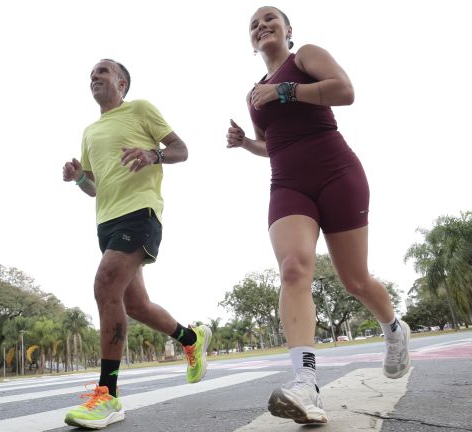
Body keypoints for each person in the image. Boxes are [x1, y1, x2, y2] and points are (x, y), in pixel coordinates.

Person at [226, 7, 411, 424]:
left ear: (288, 30)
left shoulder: (304, 57)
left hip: (337, 172)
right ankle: (305, 382)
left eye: (270, 18)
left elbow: (344, 91)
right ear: (250, 41)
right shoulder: (255, 91)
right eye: (253, 24)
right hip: (288, 185)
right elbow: (270, 144)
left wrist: (286, 91)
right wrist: (244, 145)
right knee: (293, 268)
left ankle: (394, 329)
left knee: (355, 280)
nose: (262, 26)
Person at [62, 59, 211, 430]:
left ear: (122, 83)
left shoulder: (140, 109)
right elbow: (96, 188)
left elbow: (182, 149)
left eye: (102, 71)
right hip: (106, 222)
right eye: (91, 75)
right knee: (136, 304)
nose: (94, 77)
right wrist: (79, 177)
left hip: (140, 212)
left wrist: (153, 154)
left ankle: (107, 396)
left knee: (104, 286)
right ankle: (191, 338)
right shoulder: (89, 132)